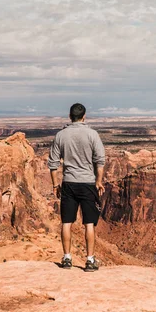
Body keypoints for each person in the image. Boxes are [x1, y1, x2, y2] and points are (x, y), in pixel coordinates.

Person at [47, 103, 106, 272]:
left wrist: (55, 184)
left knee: (66, 222)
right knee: (89, 223)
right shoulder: (92, 134)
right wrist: (98, 181)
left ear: (69, 116)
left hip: (69, 183)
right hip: (87, 183)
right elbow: (99, 161)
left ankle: (67, 258)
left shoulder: (61, 135)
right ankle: (90, 260)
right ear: (84, 116)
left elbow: (53, 164)